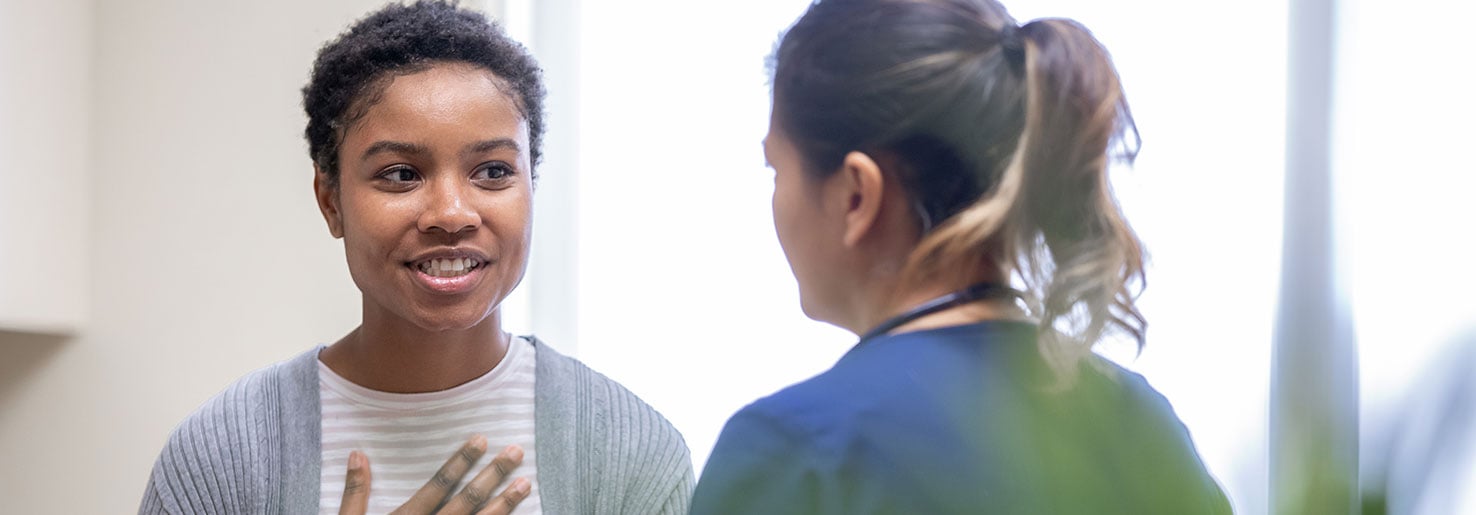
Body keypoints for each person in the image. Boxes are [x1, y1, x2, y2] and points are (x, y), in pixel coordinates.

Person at [137, 2, 692, 514]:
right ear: (331, 202)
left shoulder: (631, 454)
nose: (451, 214)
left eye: (493, 171)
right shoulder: (219, 461)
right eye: (401, 174)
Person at [689, 0, 1232, 512]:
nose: (776, 197)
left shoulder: (792, 456)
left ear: (856, 195)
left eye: (776, 170)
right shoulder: (1144, 427)